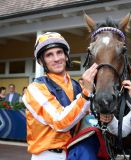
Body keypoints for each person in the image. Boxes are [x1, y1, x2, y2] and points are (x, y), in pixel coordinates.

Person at [22, 32, 99, 160]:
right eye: (49, 55)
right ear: (41, 61)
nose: (56, 58)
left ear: (66, 56)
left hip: (75, 153)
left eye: (59, 52)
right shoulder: (34, 89)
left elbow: (89, 119)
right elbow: (60, 122)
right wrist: (86, 93)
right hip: (48, 156)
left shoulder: (77, 86)